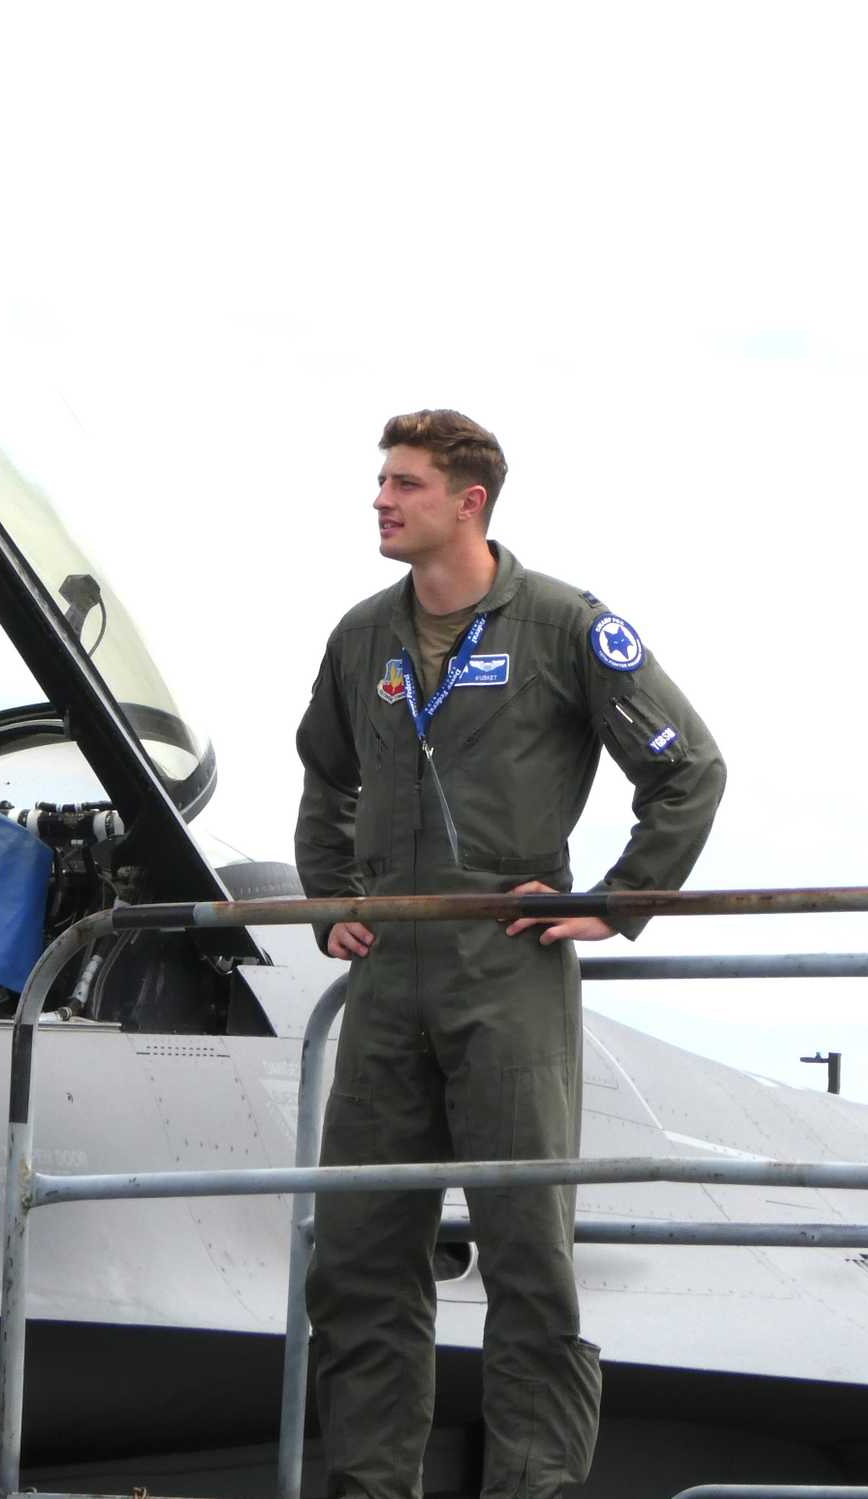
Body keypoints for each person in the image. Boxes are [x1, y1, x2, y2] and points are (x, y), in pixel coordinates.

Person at [293, 409, 725, 1499]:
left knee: (529, 1257)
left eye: (404, 484)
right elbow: (324, 778)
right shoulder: (362, 637)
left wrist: (619, 901)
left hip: (510, 973)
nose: (382, 501)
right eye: (381, 483)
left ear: (468, 501)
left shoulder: (566, 626)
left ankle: (531, 1488)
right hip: (390, 976)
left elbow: (689, 769)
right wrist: (331, 900)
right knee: (357, 1260)